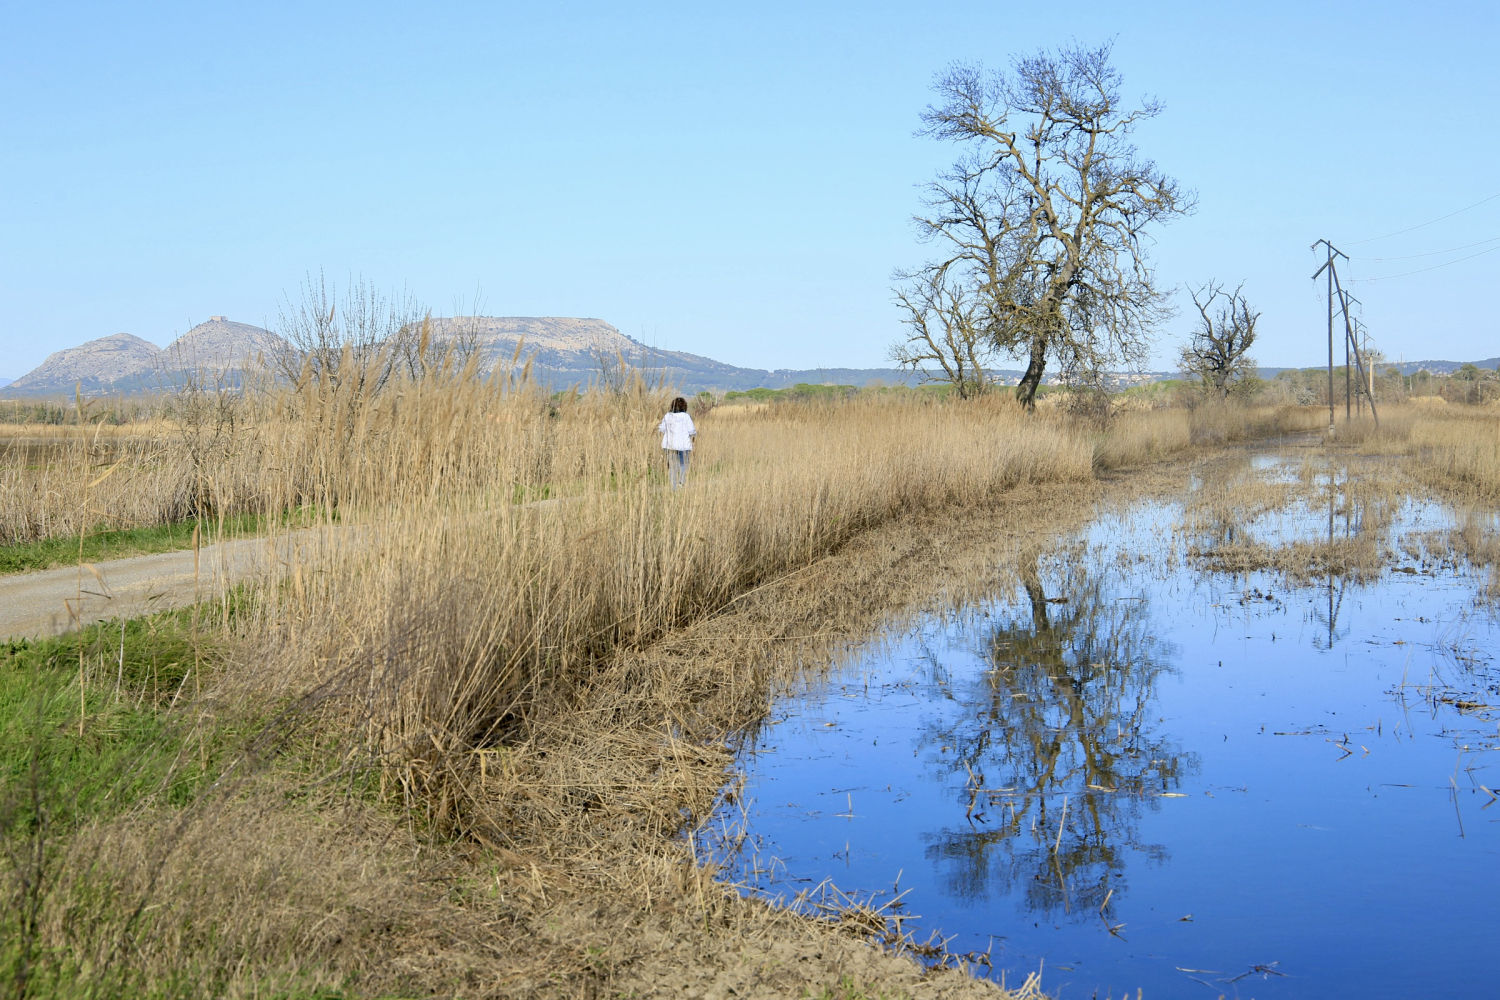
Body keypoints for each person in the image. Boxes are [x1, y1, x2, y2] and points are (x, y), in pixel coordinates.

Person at [657, 396, 696, 489]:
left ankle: (673, 487)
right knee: (683, 464)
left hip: (669, 445)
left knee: (672, 466)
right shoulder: (686, 416)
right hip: (683, 445)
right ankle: (681, 483)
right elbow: (692, 431)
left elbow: (661, 429)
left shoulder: (667, 415)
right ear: (684, 406)